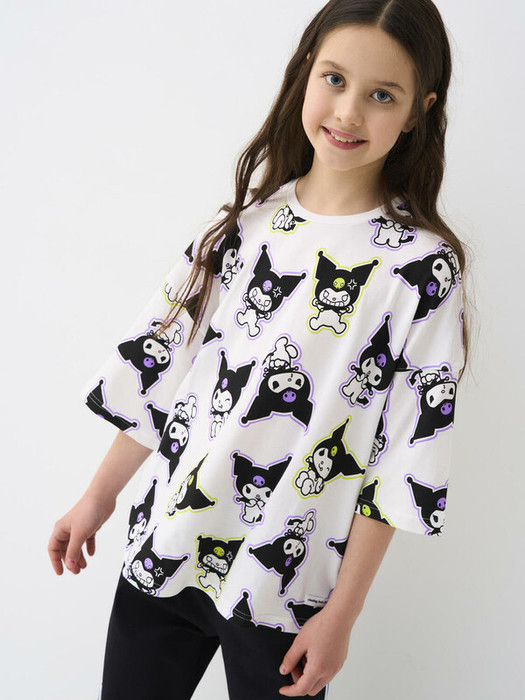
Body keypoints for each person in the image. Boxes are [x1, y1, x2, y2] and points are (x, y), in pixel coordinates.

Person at [48, 0, 471, 697]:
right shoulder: (244, 227)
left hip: (285, 586)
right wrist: (97, 497)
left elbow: (402, 457)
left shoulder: (420, 270)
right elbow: (162, 371)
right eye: (334, 79)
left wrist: (342, 614)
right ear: (305, 71)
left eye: (381, 95)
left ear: (418, 110)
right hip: (166, 550)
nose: (348, 112)